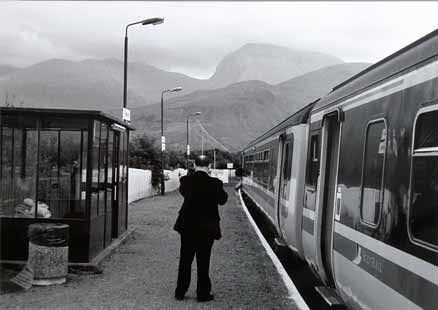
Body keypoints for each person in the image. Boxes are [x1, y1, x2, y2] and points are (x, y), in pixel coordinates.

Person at [173, 155, 228, 302]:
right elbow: (223, 200)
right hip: (207, 228)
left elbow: (184, 193)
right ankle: (203, 294)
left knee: (185, 259)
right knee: (203, 261)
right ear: (209, 166)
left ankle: (180, 292)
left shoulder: (186, 181)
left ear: (194, 165)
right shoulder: (216, 183)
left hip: (187, 226)